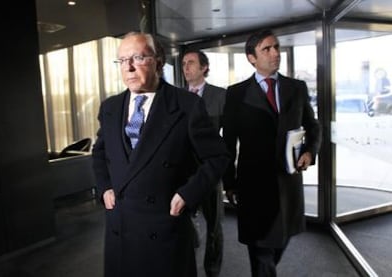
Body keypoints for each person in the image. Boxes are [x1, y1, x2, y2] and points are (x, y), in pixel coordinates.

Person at [91, 32, 229, 277]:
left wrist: (188, 194)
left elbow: (218, 157)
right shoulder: (110, 107)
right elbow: (100, 153)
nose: (129, 67)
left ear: (158, 60)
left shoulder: (186, 105)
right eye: (122, 60)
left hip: (164, 227)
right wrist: (104, 187)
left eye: (137, 57)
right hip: (120, 227)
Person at [222, 29, 322, 277]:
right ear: (251, 57)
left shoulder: (296, 88)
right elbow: (228, 142)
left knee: (280, 239)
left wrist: (310, 152)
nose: (275, 53)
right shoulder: (236, 93)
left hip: (287, 182)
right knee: (261, 250)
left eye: (276, 47)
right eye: (266, 49)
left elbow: (313, 126)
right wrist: (229, 183)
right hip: (253, 183)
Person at [182, 49, 226, 277]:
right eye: (183, 63)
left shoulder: (220, 96)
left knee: (214, 227)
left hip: (210, 173)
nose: (186, 67)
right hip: (184, 174)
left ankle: (212, 271)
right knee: (182, 224)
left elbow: (228, 138)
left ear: (204, 68)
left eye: (191, 63)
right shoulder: (177, 97)